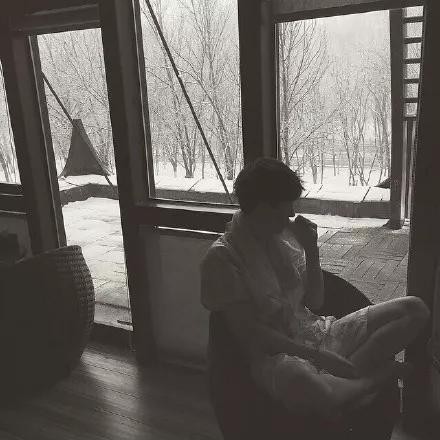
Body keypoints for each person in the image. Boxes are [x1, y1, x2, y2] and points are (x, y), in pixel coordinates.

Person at [200, 157, 430, 419]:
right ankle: (371, 380)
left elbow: (316, 302)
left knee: (415, 310)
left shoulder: (283, 239)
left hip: (318, 333)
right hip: (277, 356)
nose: (291, 214)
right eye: (287, 205)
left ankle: (342, 384)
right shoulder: (223, 258)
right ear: (264, 207)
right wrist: (318, 357)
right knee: (309, 387)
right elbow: (252, 334)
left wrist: (311, 248)